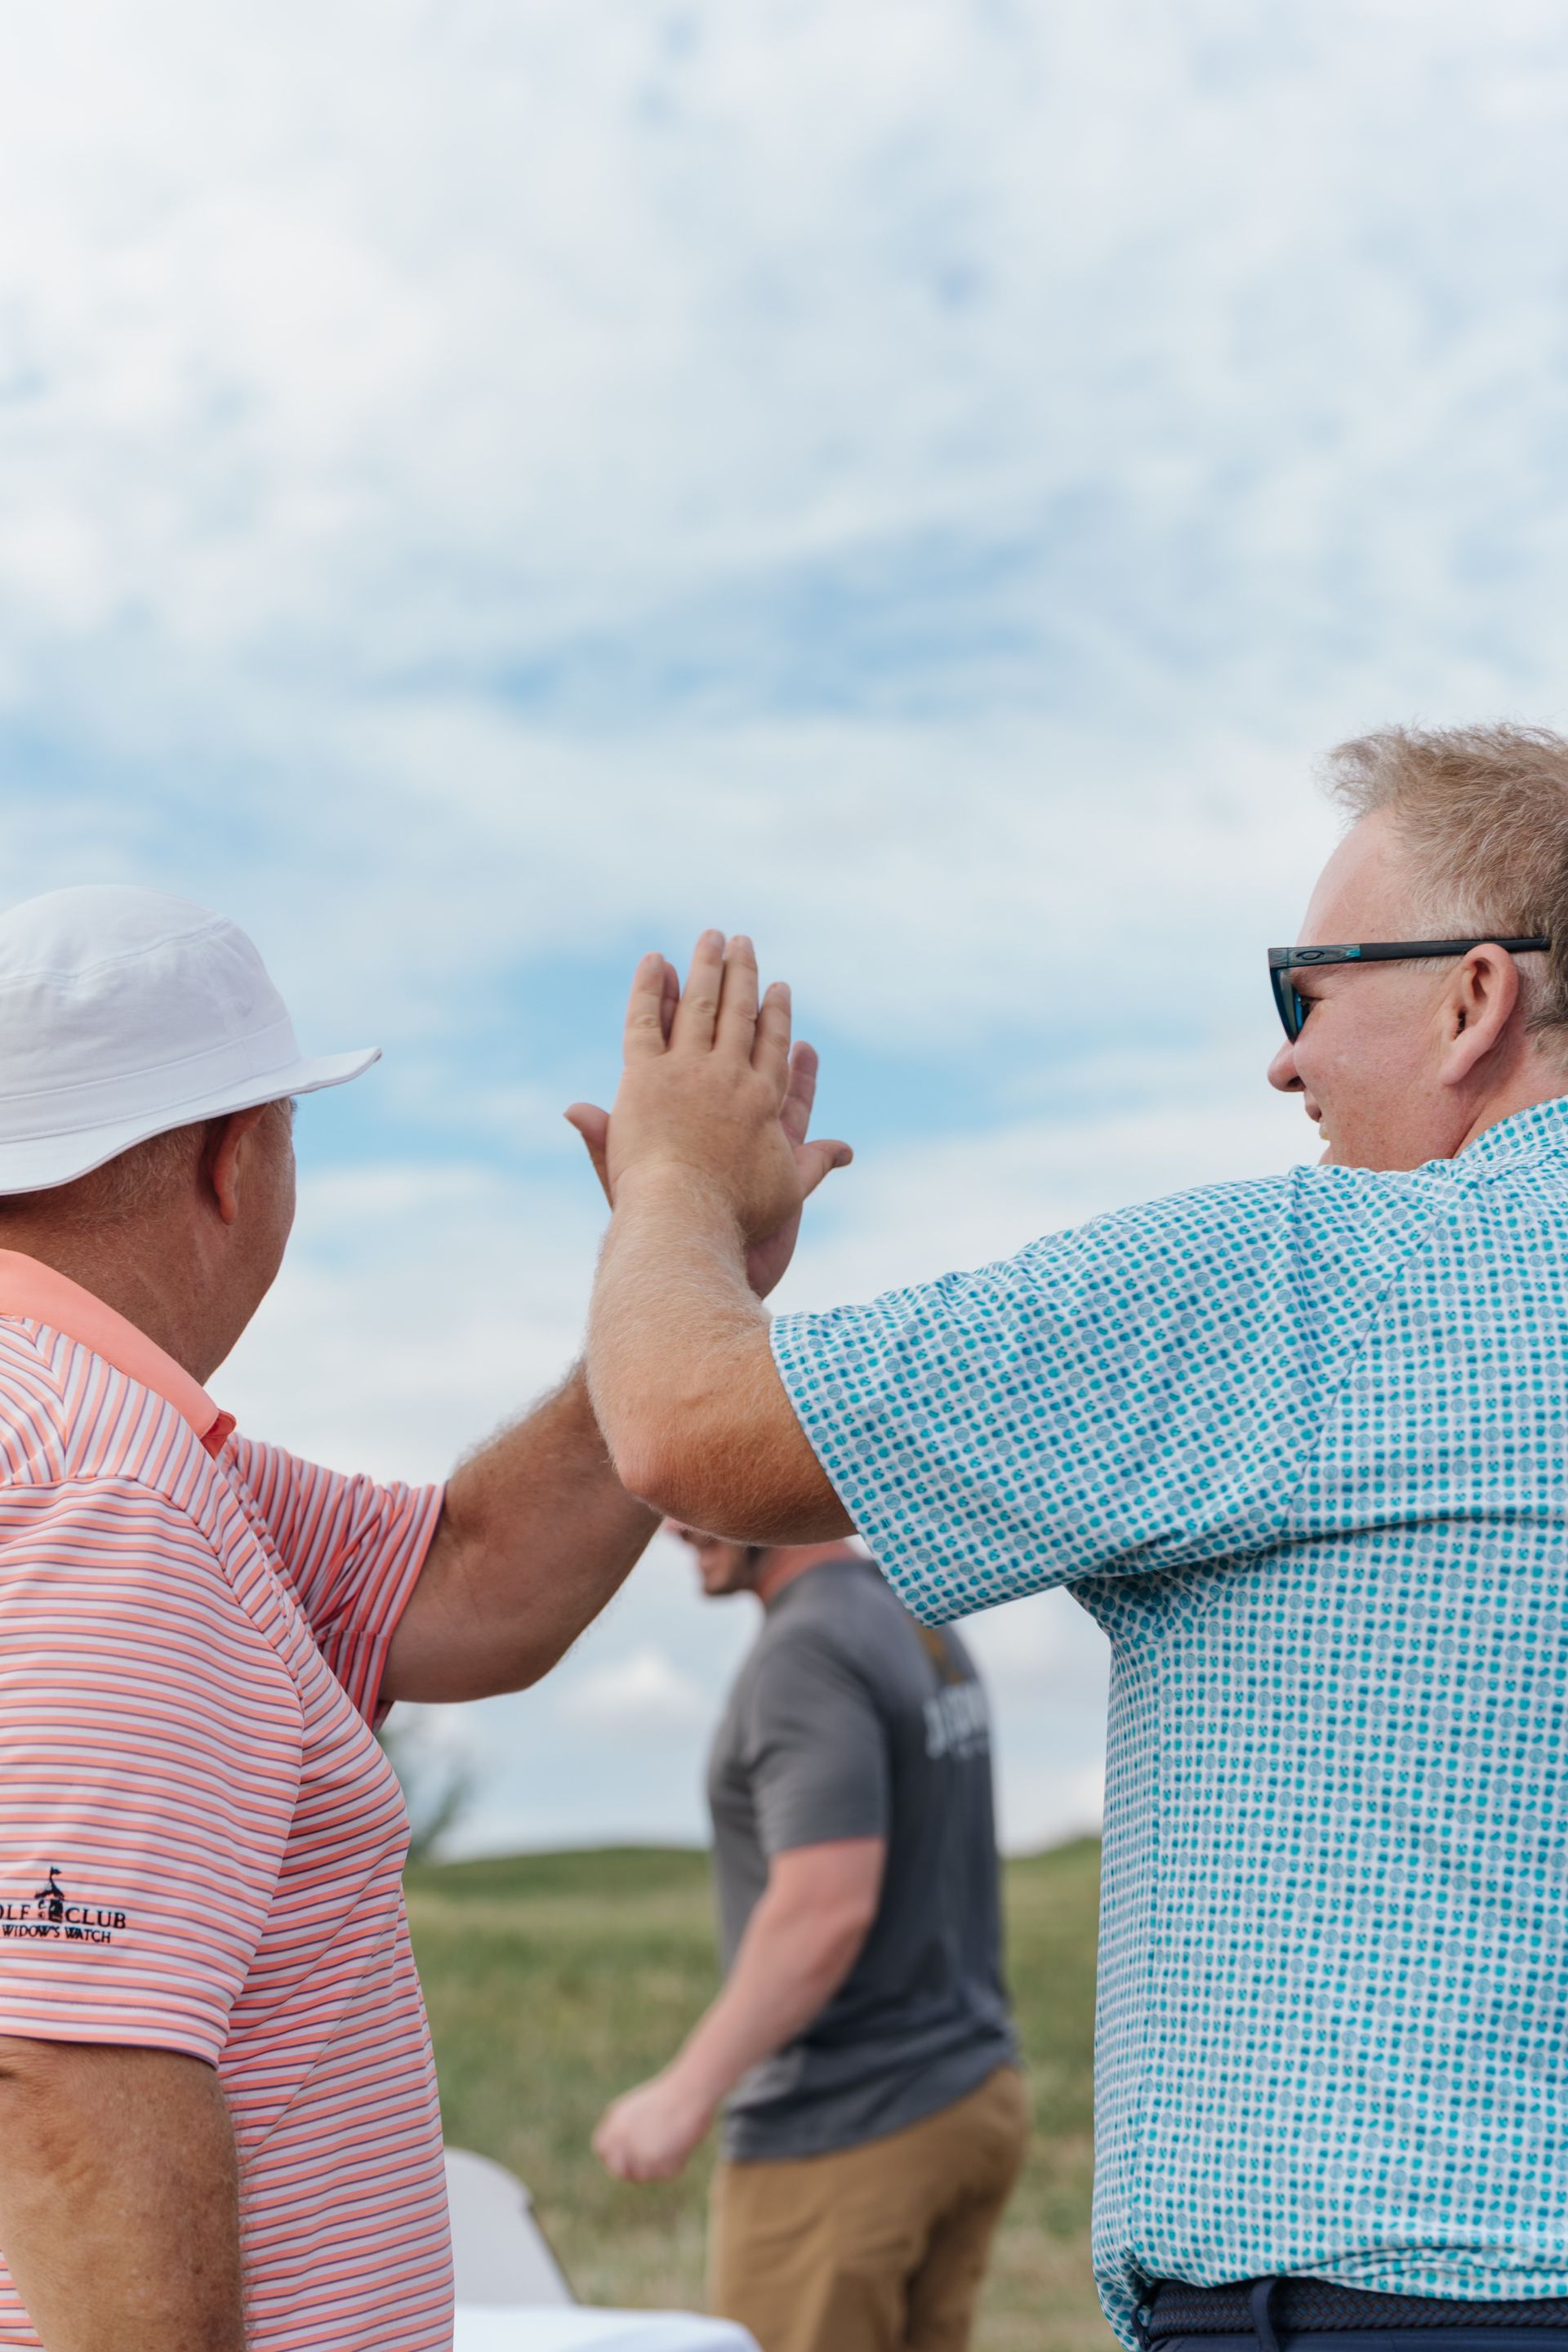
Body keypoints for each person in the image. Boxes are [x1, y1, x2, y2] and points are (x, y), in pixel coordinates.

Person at [571, 724, 1568, 2352]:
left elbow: (688, 1424)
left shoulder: (1311, 1285)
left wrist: (677, 1186)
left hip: (1383, 2301)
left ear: (1475, 1000)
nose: (1282, 1064)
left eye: (1301, 992)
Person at [0, 882, 838, 2352]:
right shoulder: (101, 1486)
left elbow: (465, 1586)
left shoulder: (108, 1445)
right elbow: (67, 2074)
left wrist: (689, 1260)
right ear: (231, 1159)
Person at [593, 1526, 1025, 2352]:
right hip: (971, 2100)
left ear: (771, 1486)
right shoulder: (920, 1613)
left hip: (846, 2132)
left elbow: (825, 1909)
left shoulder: (804, 1654)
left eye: (698, 1492)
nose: (675, 1526)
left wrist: (683, 2094)